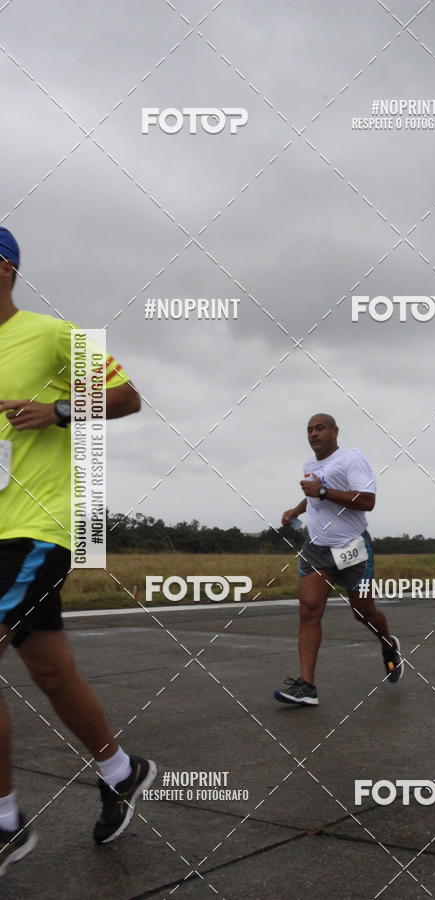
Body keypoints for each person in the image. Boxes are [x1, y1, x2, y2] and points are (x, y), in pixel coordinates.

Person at [0, 228, 156, 874]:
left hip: (40, 529)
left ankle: (5, 823)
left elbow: (128, 396)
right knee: (52, 673)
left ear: (4, 269)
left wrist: (59, 409)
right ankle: (121, 769)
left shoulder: (53, 333)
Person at [275, 413, 402, 705]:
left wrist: (322, 490)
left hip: (352, 549)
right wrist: (296, 510)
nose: (314, 434)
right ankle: (306, 687)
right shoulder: (311, 464)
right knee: (308, 609)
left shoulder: (351, 459)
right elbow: (314, 497)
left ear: (335, 431)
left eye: (320, 428)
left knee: (363, 613)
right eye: (309, 430)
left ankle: (387, 644)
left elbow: (367, 501)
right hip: (317, 548)